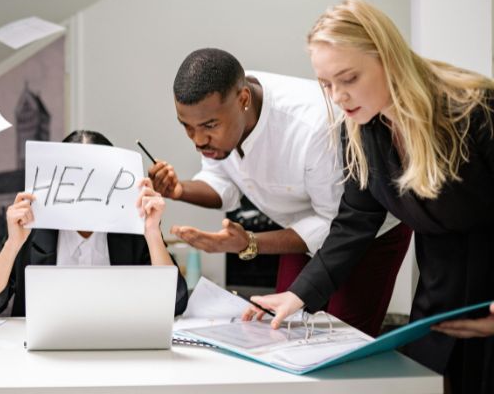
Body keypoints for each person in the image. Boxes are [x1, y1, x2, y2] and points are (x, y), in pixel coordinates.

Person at [245, 0, 494, 393]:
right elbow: (355, 220)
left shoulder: (474, 110)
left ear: (387, 58)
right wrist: (299, 294)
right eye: (326, 84)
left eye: (349, 78)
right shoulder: (363, 127)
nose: (338, 97)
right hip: (441, 298)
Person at [148, 48, 412, 336]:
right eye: (187, 127)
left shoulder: (312, 126)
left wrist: (250, 243)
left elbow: (338, 225)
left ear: (243, 100)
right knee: (277, 329)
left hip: (366, 235)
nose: (198, 140)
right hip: (297, 229)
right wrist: (179, 189)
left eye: (209, 126)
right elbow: (221, 180)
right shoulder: (219, 106)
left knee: (345, 339)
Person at [0, 130, 189, 317]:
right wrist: (12, 244)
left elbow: (175, 304)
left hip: (117, 353)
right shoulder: (32, 228)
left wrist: (152, 233)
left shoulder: (133, 231)